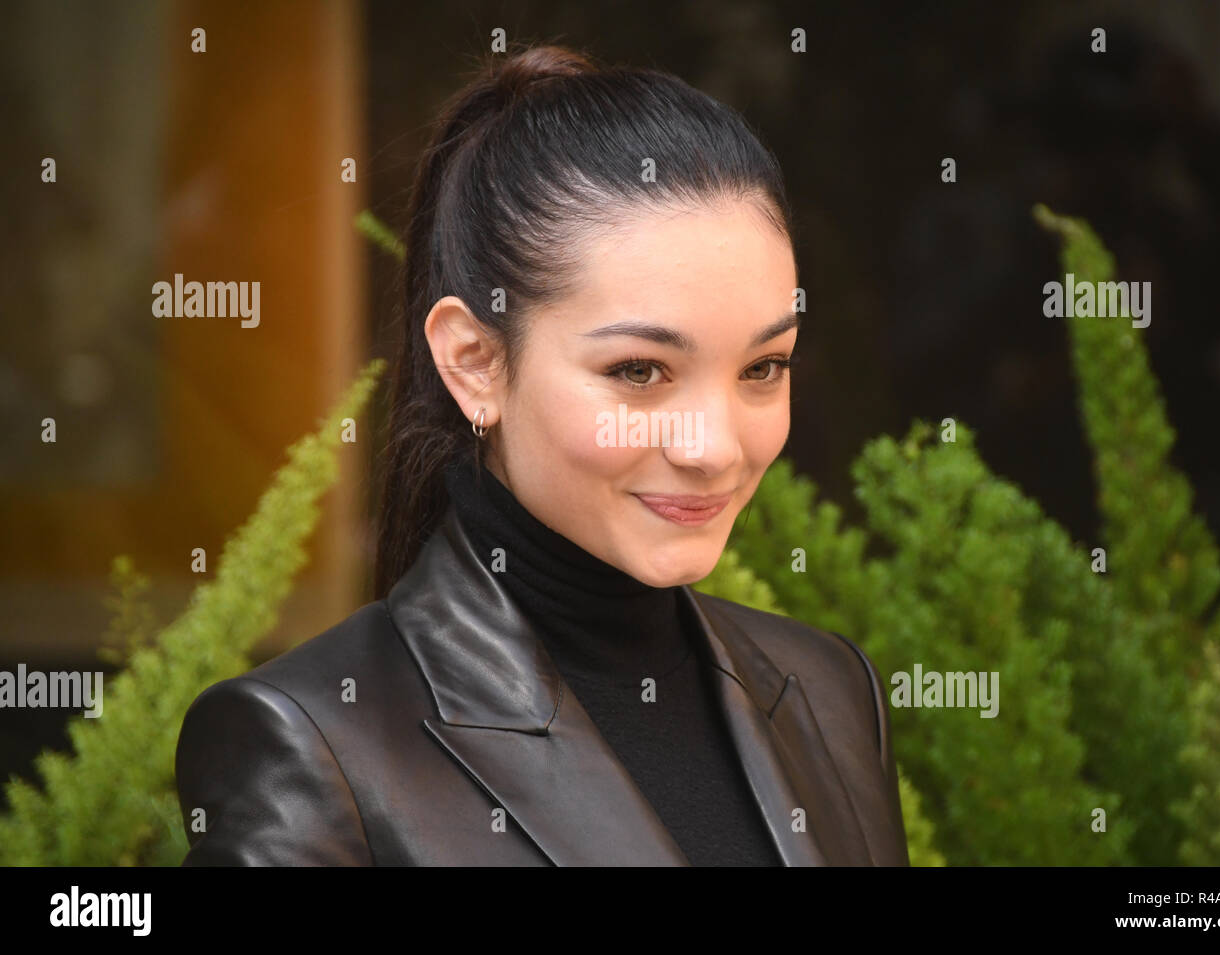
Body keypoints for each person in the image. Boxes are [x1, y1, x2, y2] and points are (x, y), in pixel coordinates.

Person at [174, 42, 909, 866]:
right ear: (474, 362)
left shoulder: (830, 691)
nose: (714, 449)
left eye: (762, 368)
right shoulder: (311, 745)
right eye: (638, 372)